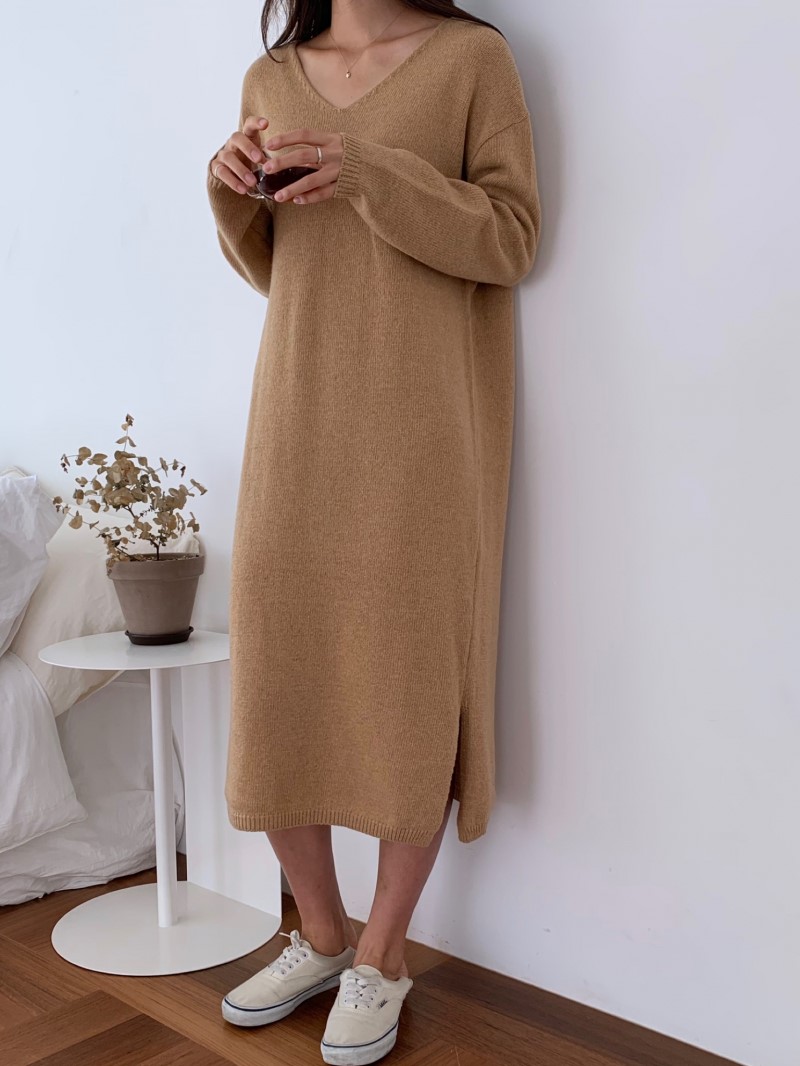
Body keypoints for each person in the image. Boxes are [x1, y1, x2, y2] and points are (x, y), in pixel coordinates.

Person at [206, 1, 541, 1062]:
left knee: (406, 679)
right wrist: (229, 193)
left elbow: (510, 239)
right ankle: (320, 931)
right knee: (278, 667)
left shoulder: (471, 60)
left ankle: (384, 953)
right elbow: (282, 268)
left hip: (421, 427)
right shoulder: (271, 76)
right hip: (296, 410)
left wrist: (368, 173)